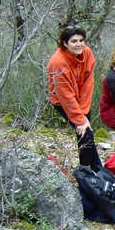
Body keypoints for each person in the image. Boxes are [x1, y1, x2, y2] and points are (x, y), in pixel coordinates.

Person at [47, 24, 102, 169]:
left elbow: (88, 83)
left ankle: (85, 168)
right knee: (86, 133)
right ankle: (98, 169)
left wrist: (83, 113)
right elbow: (65, 95)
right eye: (74, 41)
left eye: (81, 40)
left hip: (82, 98)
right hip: (63, 101)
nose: (79, 44)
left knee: (83, 134)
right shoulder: (58, 62)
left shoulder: (87, 53)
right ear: (65, 43)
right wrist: (79, 119)